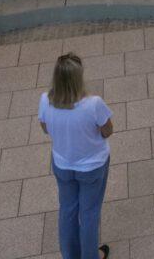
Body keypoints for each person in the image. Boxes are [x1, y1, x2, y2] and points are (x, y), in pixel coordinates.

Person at [38, 53, 113, 259]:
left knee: (67, 210)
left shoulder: (45, 100)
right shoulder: (93, 104)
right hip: (92, 167)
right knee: (89, 213)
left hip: (62, 165)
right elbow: (107, 130)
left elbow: (45, 128)